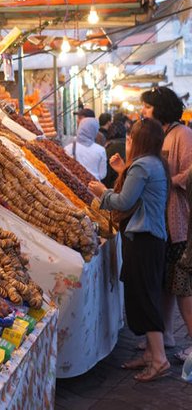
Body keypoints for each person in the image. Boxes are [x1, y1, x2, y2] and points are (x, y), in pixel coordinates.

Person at [89, 118, 170, 382]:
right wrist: (123, 169)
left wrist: (102, 192)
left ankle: (159, 359)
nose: (128, 140)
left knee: (145, 297)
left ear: (139, 140)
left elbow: (124, 200)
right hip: (151, 239)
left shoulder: (144, 165)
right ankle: (149, 353)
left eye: (131, 136)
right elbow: (139, 194)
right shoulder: (154, 163)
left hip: (144, 241)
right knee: (145, 294)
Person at [141, 87, 192, 360]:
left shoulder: (183, 135)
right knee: (166, 282)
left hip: (179, 221)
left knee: (183, 287)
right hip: (163, 222)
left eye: (147, 107)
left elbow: (190, 172)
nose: (143, 111)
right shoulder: (163, 134)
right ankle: (166, 334)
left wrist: (167, 182)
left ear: (159, 108)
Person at [102, 121, 127, 188]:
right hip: (127, 186)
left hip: (111, 188)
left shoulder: (108, 149)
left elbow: (105, 174)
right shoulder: (129, 147)